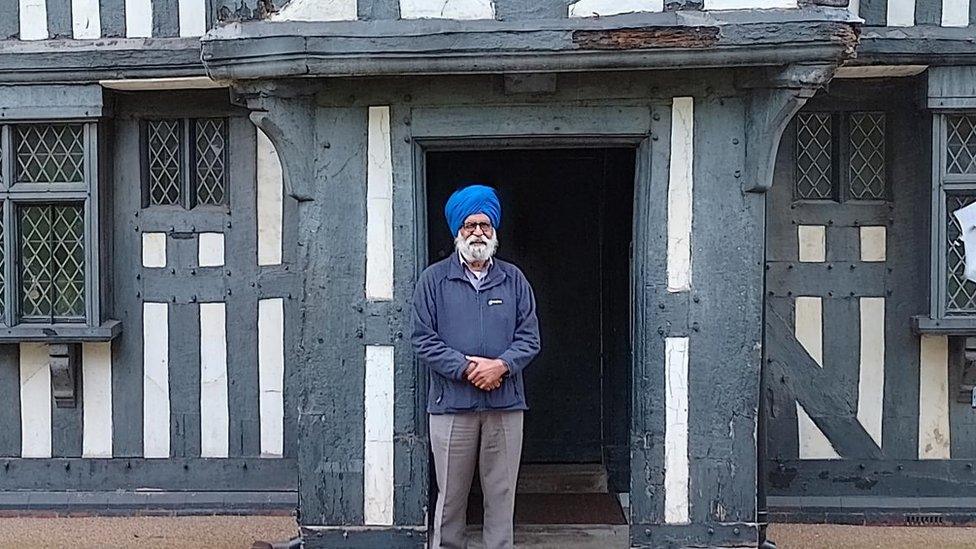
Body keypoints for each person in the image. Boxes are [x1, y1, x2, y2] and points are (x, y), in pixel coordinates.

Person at [411, 184, 541, 549]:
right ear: (457, 232)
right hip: (451, 407)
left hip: (505, 407)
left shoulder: (514, 279)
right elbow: (422, 339)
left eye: (485, 224)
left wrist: (501, 366)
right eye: (470, 225)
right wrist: (467, 368)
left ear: (495, 231)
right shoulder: (433, 280)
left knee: (501, 498)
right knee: (450, 498)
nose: (478, 232)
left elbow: (530, 339)